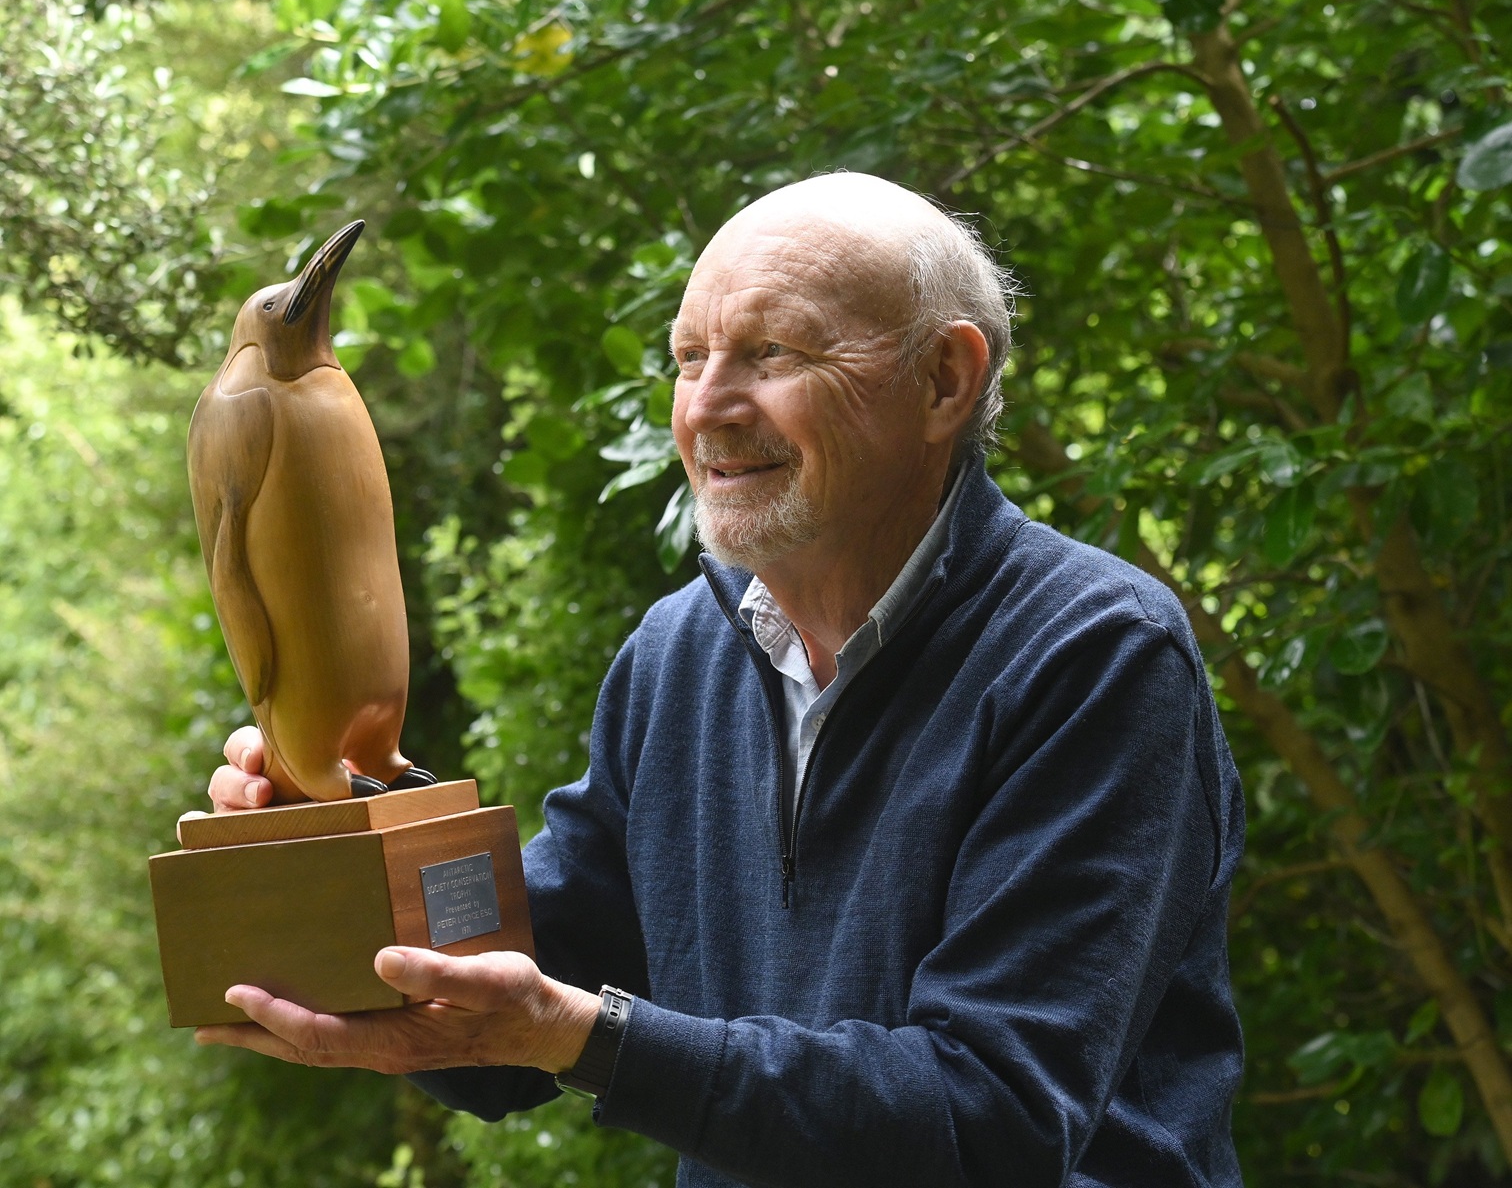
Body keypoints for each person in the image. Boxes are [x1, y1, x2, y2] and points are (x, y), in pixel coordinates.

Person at [198, 173, 1245, 1187]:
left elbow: (991, 1119)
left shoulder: (1095, 654)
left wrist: (579, 1034)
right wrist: (350, 811)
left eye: (770, 352)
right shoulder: (677, 653)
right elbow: (518, 981)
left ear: (943, 380)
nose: (705, 408)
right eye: (687, 357)